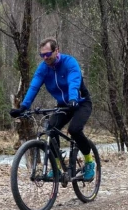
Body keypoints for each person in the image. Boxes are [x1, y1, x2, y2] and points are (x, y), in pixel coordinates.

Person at [9, 37, 95, 181]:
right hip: (63, 105)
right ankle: (57, 168)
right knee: (51, 129)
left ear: (57, 50)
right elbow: (34, 86)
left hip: (80, 102)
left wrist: (73, 98)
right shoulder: (43, 68)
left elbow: (73, 81)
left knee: (74, 130)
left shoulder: (69, 63)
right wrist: (23, 107)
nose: (45, 58)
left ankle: (89, 162)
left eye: (48, 54)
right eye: (42, 55)